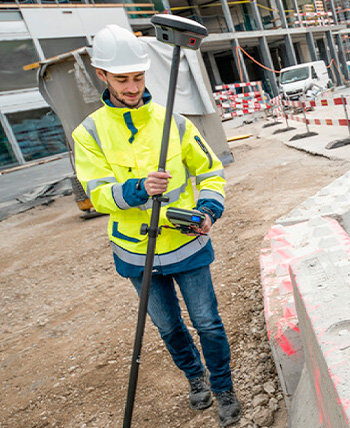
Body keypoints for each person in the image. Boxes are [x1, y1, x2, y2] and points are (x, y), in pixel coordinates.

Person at [72, 24, 241, 427]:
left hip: (187, 245)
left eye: (138, 77)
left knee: (207, 323)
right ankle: (195, 378)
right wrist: (136, 189)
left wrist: (207, 210)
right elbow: (97, 194)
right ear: (102, 76)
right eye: (122, 79)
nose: (132, 87)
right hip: (135, 250)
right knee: (168, 326)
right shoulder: (88, 133)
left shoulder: (175, 123)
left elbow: (212, 172)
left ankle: (222, 387)